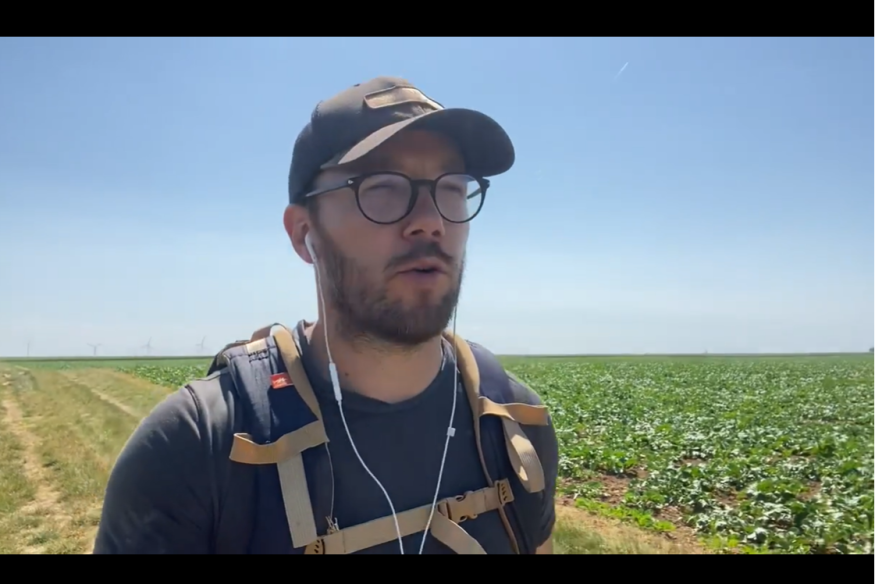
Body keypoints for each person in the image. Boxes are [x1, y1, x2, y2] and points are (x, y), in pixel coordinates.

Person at [92, 76, 559, 554]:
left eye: (453, 188)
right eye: (383, 187)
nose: (432, 220)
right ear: (302, 234)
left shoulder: (514, 424)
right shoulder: (195, 448)